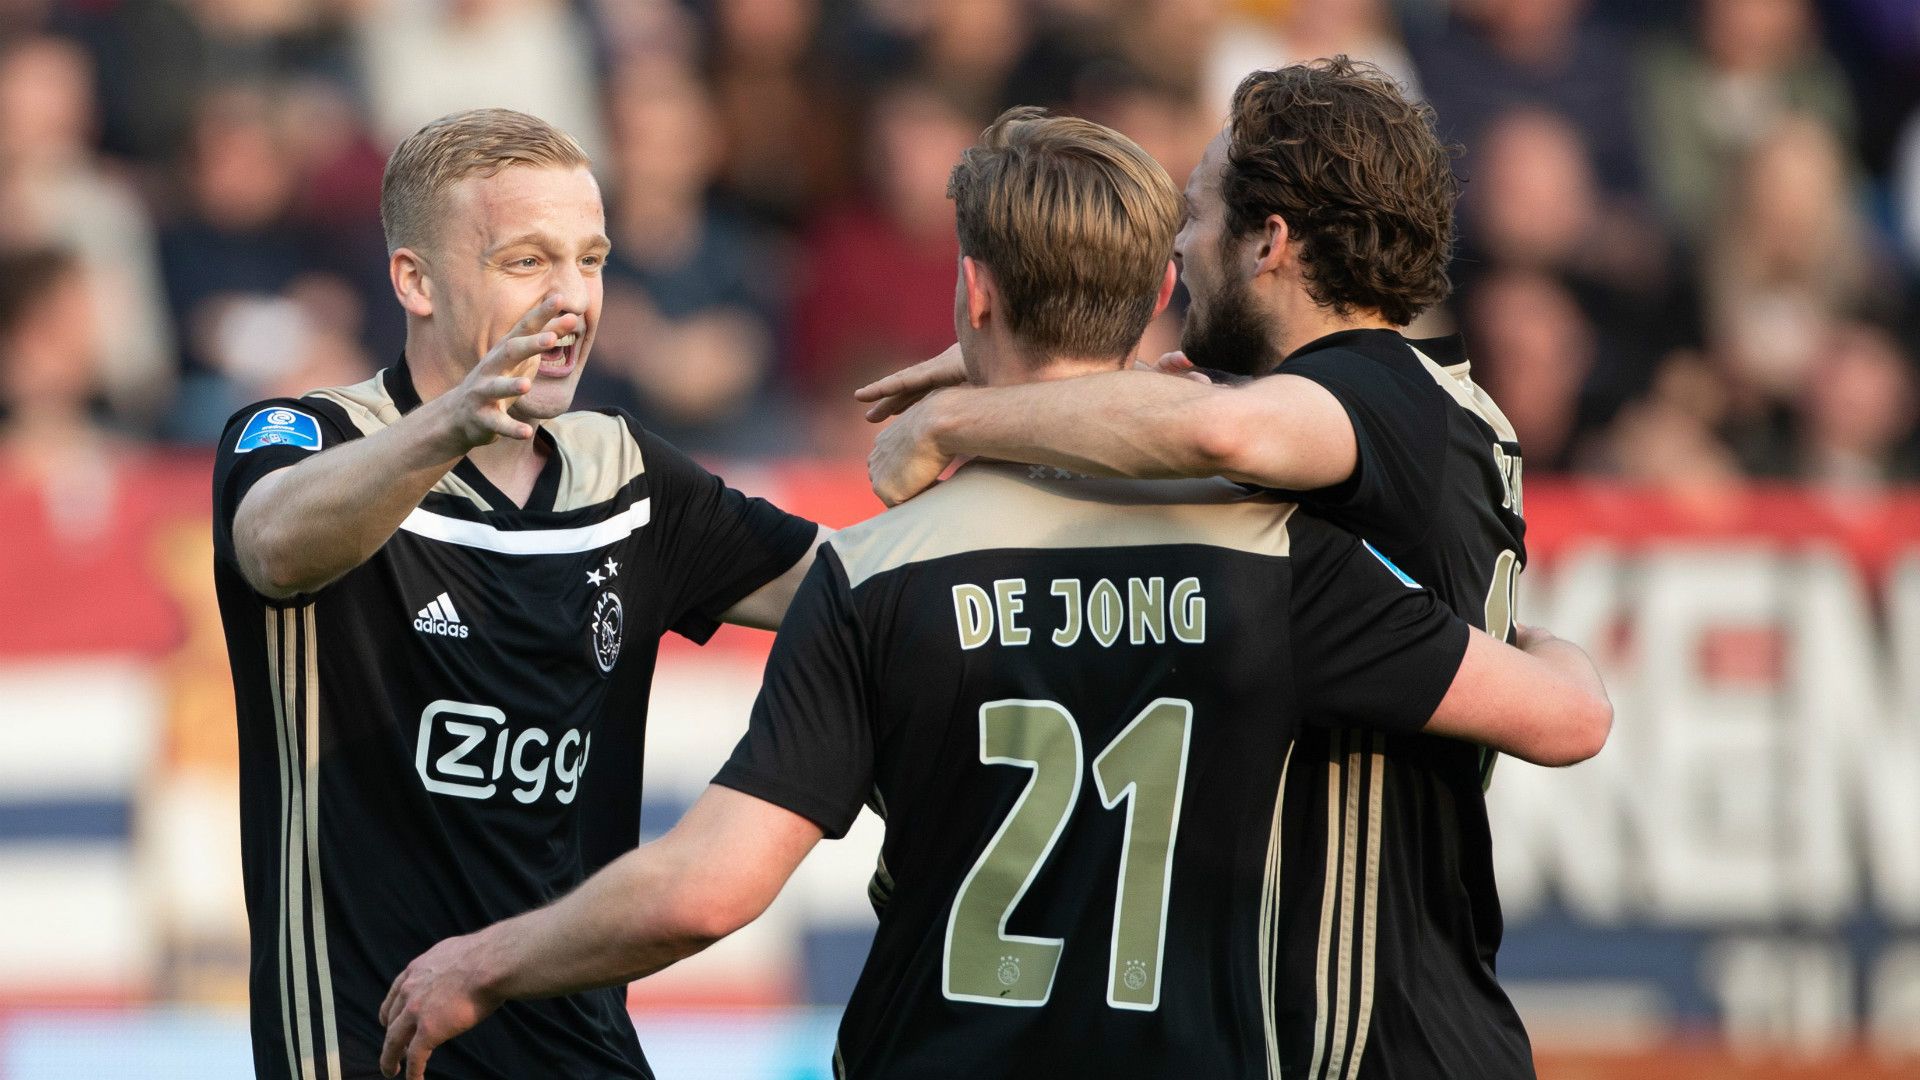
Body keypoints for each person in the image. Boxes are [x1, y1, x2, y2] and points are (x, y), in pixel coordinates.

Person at [376, 107, 1609, 1080]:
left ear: (972, 293)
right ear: (1160, 301)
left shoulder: (874, 573)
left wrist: (483, 962)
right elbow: (1563, 719)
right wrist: (1539, 636)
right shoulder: (1287, 560)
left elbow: (704, 891)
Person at [862, 58, 1541, 1078]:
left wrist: (953, 419)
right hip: (1409, 1009)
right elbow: (1182, 401)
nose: (1179, 246)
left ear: (1270, 242)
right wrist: (1006, 353)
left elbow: (1220, 430)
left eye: (1197, 212)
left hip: (1369, 1033)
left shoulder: (1373, 392)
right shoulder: (1422, 407)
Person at [210, 108, 825, 1080]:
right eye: (528, 262)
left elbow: (867, 589)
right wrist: (452, 422)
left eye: (592, 260)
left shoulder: (625, 474)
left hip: (585, 1055)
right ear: (415, 281)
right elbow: (272, 546)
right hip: (374, 1054)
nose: (572, 298)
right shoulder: (303, 436)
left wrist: (1003, 428)